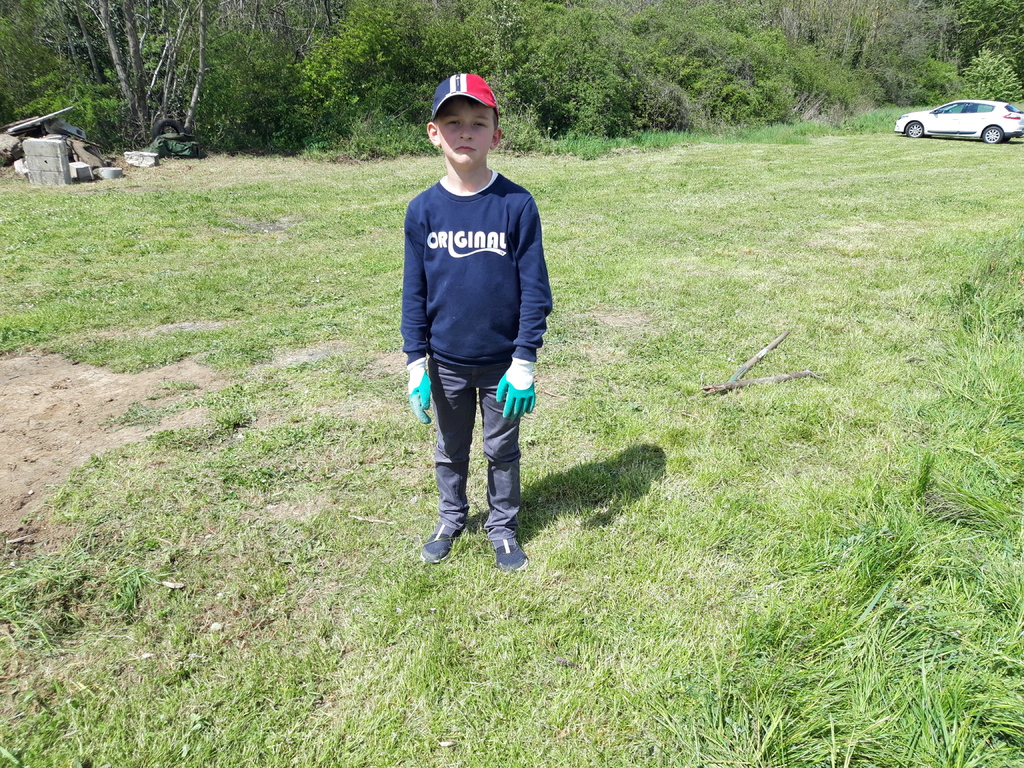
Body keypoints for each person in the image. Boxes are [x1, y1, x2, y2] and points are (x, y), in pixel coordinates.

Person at [401, 74, 553, 572]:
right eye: (453, 122)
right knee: (450, 448)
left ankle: (502, 527)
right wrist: (415, 363)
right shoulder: (422, 211)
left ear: (496, 135)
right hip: (445, 363)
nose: (465, 132)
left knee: (501, 449)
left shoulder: (517, 204)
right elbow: (414, 292)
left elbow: (536, 291)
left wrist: (524, 361)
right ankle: (451, 518)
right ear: (433, 133)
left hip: (502, 366)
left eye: (478, 122)